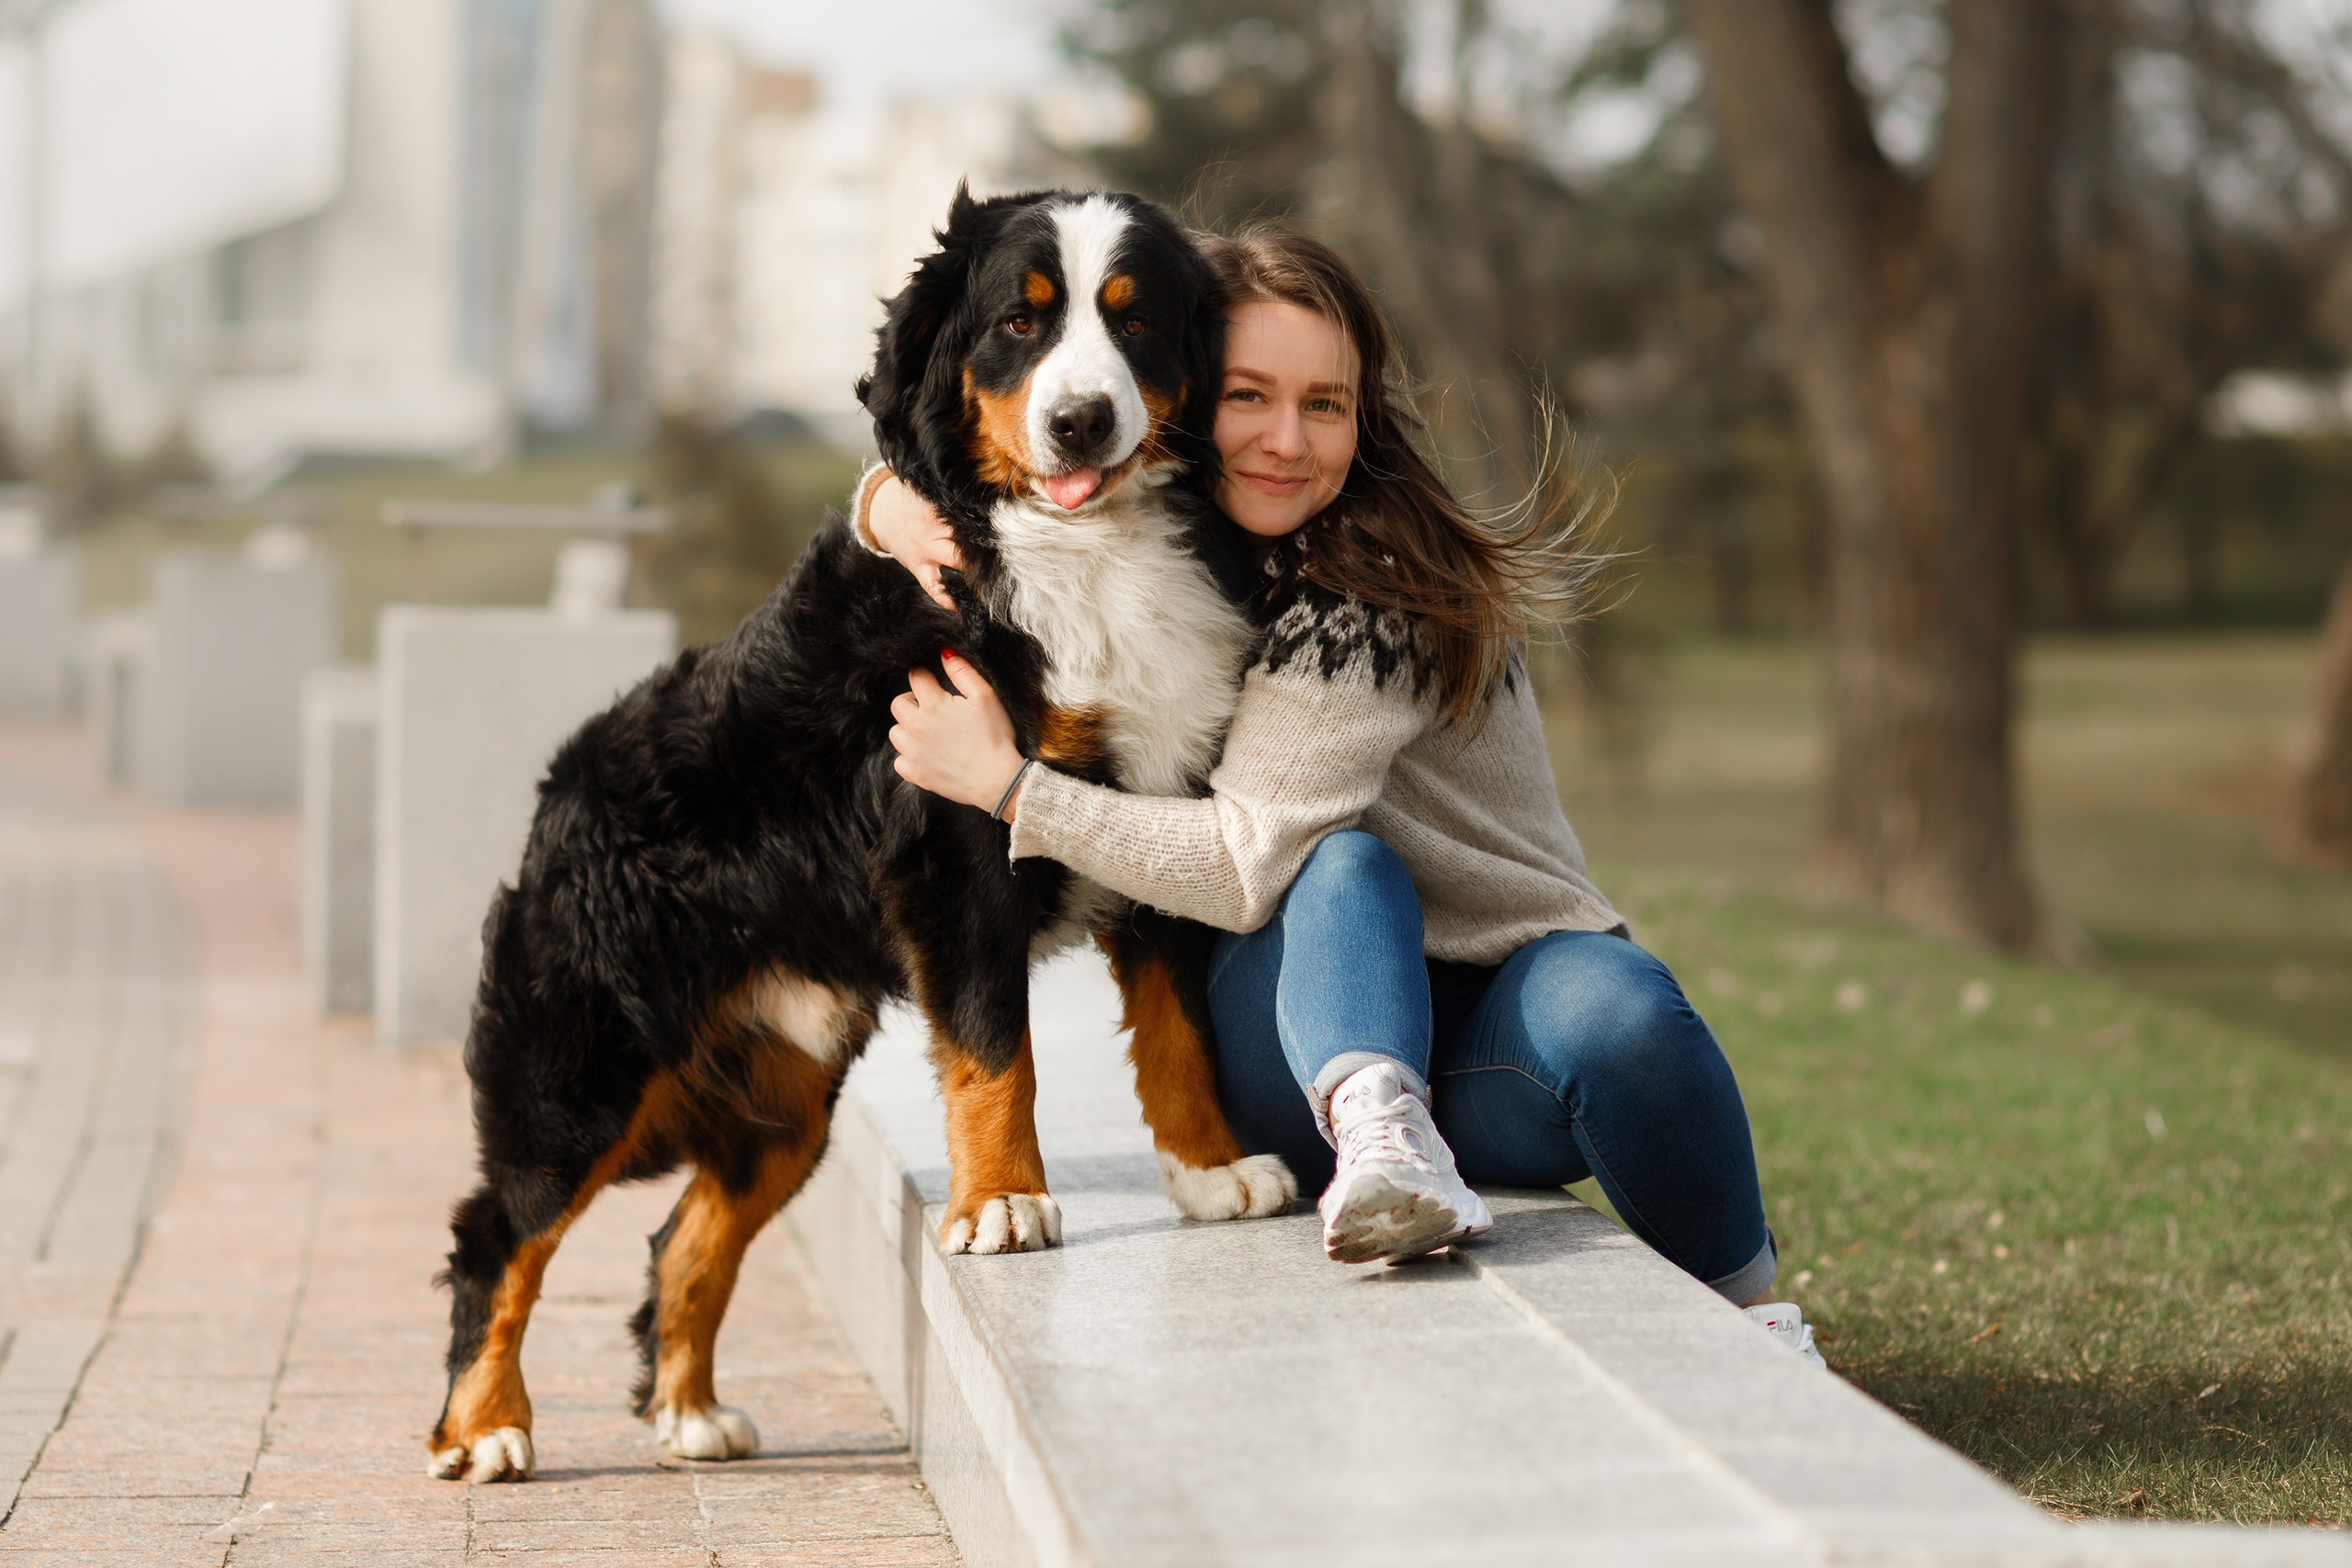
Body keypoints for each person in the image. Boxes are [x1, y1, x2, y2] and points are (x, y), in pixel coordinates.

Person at [870, 223, 1819, 1359]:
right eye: (1249, 396)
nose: (1283, 441)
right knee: (1346, 864)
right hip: (1290, 1044)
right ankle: (1376, 1135)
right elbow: (972, 445)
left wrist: (1015, 790)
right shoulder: (1153, 534)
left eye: (1324, 404)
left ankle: (1757, 1319)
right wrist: (882, 502)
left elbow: (1241, 858)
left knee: (1616, 1003)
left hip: (1487, 1024)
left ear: (1365, 416)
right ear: (1172, 392)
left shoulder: (1375, 583)